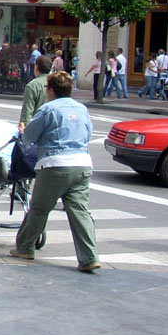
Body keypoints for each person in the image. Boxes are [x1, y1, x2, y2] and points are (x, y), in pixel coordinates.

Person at [9, 71, 100, 273]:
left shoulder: (47, 109)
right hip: (82, 163)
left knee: (40, 208)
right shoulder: (82, 109)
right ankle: (89, 257)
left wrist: (23, 136)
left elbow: (29, 135)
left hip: (55, 164)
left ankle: (25, 247)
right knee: (79, 211)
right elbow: (88, 133)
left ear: (50, 90)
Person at [19, 54, 53, 132]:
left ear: (36, 67)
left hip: (38, 129)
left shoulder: (32, 85)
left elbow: (27, 111)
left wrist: (24, 131)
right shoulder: (56, 82)